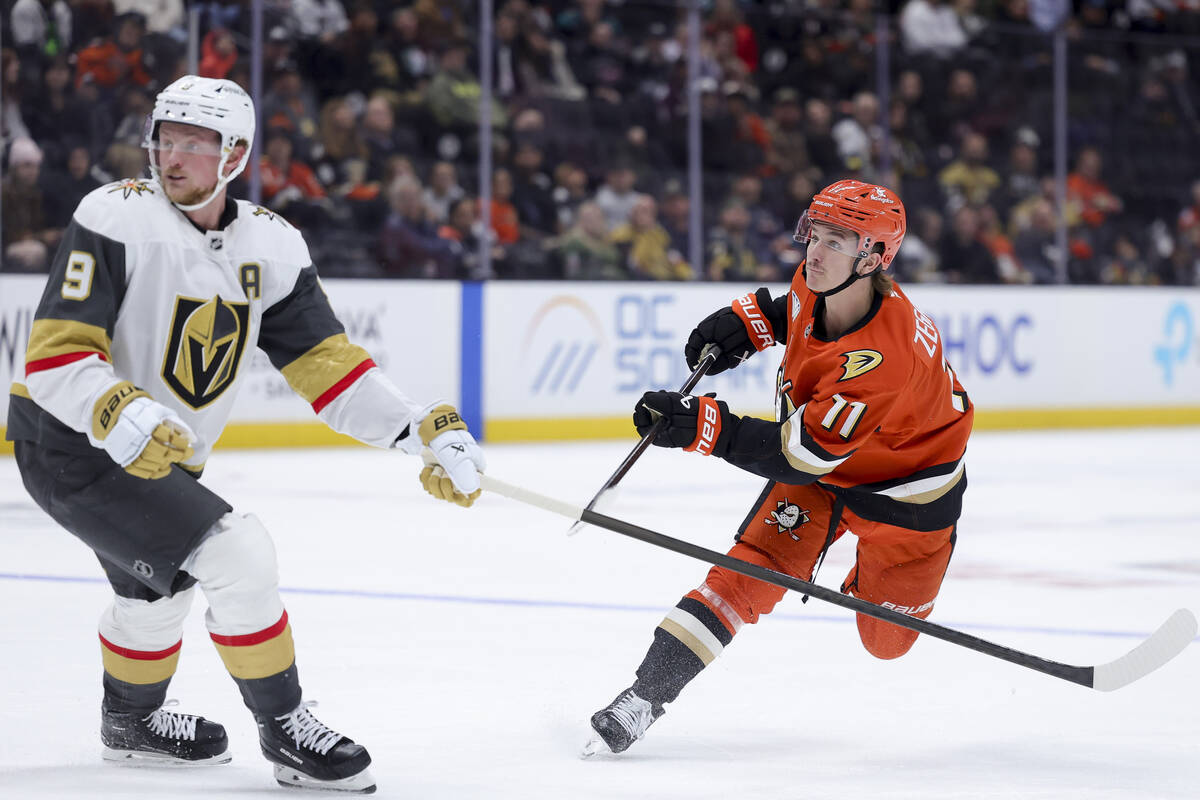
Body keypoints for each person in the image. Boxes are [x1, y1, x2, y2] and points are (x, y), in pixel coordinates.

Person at [4, 76, 485, 794]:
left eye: (195, 143)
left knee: (156, 591)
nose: (173, 155)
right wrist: (118, 407)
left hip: (160, 454)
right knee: (239, 555)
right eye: (166, 137)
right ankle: (287, 728)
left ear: (234, 153)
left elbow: (330, 369)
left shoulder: (273, 245)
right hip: (70, 440)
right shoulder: (115, 215)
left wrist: (418, 431)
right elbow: (55, 355)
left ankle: (130, 723)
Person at [585, 179, 973, 755]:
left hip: (907, 501)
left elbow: (799, 456)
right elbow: (789, 312)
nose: (814, 251)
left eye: (836, 240)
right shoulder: (819, 281)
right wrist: (746, 324)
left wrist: (700, 426)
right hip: (823, 476)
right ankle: (645, 696)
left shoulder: (885, 358)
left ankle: (870, 576)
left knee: (886, 642)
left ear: (873, 257)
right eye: (815, 231)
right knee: (741, 576)